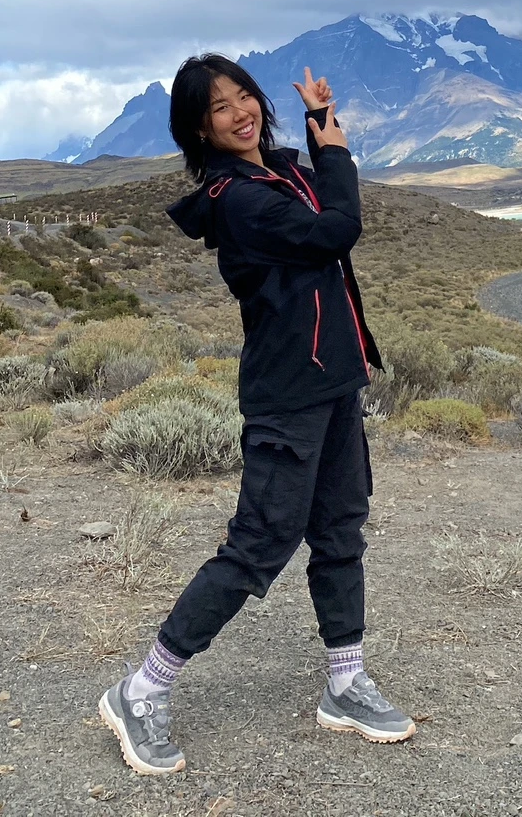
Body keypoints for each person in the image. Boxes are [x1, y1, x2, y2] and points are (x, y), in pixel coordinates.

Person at [98, 53, 415, 776]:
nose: (240, 111)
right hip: (287, 396)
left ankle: (345, 683)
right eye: (220, 107)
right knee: (258, 544)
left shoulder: (277, 171)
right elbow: (336, 232)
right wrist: (336, 152)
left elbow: (322, 246)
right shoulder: (238, 199)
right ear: (199, 129)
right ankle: (140, 690)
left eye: (243, 95)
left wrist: (318, 121)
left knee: (340, 530)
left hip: (332, 382)